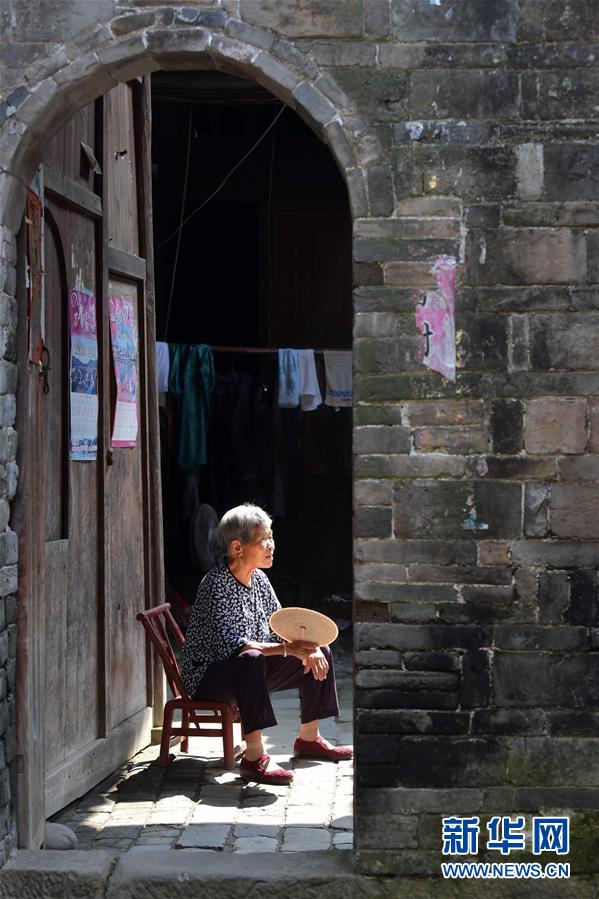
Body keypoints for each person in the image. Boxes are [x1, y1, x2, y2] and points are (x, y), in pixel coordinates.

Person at [181, 503, 352, 785]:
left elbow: (279, 627)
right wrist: (287, 649)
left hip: (248, 671)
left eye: (271, 537)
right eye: (264, 539)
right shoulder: (215, 583)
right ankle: (254, 757)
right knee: (250, 658)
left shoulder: (259, 579)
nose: (271, 545)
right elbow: (233, 645)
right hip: (209, 679)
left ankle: (309, 739)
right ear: (237, 547)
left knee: (320, 651)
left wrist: (308, 647)